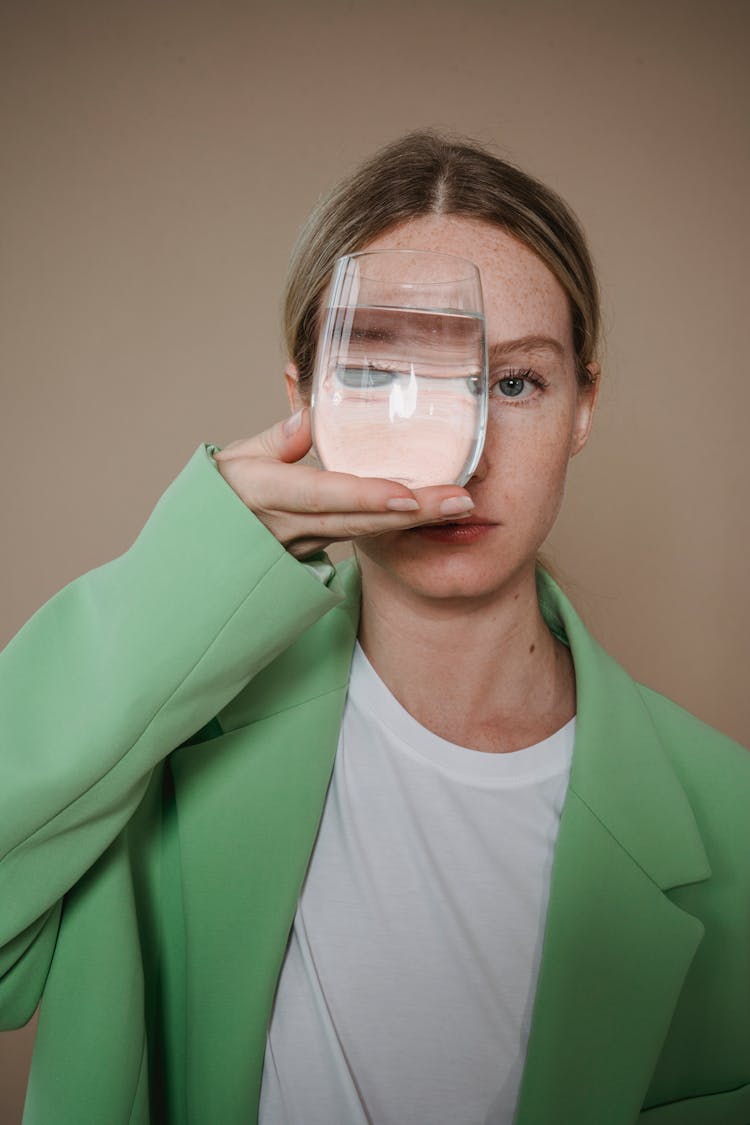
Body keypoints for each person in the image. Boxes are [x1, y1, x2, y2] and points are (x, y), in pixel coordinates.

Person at [0, 132, 748, 1125]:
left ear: (583, 405)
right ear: (304, 399)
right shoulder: (148, 746)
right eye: (392, 377)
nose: (462, 456)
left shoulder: (732, 821)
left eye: (513, 383)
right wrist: (196, 560)